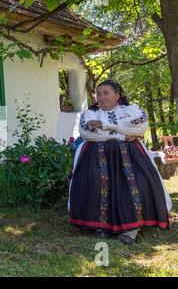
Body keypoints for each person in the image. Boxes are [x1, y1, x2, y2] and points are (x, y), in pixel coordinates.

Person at [68, 79, 172, 244]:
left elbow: (139, 127)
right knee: (95, 184)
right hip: (96, 157)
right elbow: (88, 134)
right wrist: (121, 133)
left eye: (106, 93)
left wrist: (106, 125)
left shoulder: (131, 110)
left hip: (131, 156)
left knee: (137, 184)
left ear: (118, 95)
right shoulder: (89, 114)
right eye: (99, 94)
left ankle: (131, 229)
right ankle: (101, 226)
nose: (101, 97)